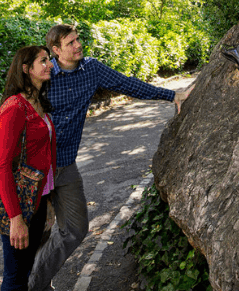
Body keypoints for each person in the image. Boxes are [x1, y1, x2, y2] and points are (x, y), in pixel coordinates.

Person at [27, 24, 192, 291]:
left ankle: (35, 282)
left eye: (78, 40)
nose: (78, 45)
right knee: (35, 233)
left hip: (65, 165)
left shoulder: (91, 69)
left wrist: (172, 95)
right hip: (33, 169)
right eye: (70, 43)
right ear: (55, 50)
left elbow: (127, 84)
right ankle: (35, 285)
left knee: (76, 229)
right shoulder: (43, 74)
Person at [0, 45, 57, 291]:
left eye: (49, 60)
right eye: (43, 61)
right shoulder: (15, 107)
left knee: (27, 268)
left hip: (38, 199)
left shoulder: (38, 101)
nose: (50, 65)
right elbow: (1, 167)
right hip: (21, 204)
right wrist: (15, 219)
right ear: (26, 69)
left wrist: (48, 198)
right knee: (15, 277)